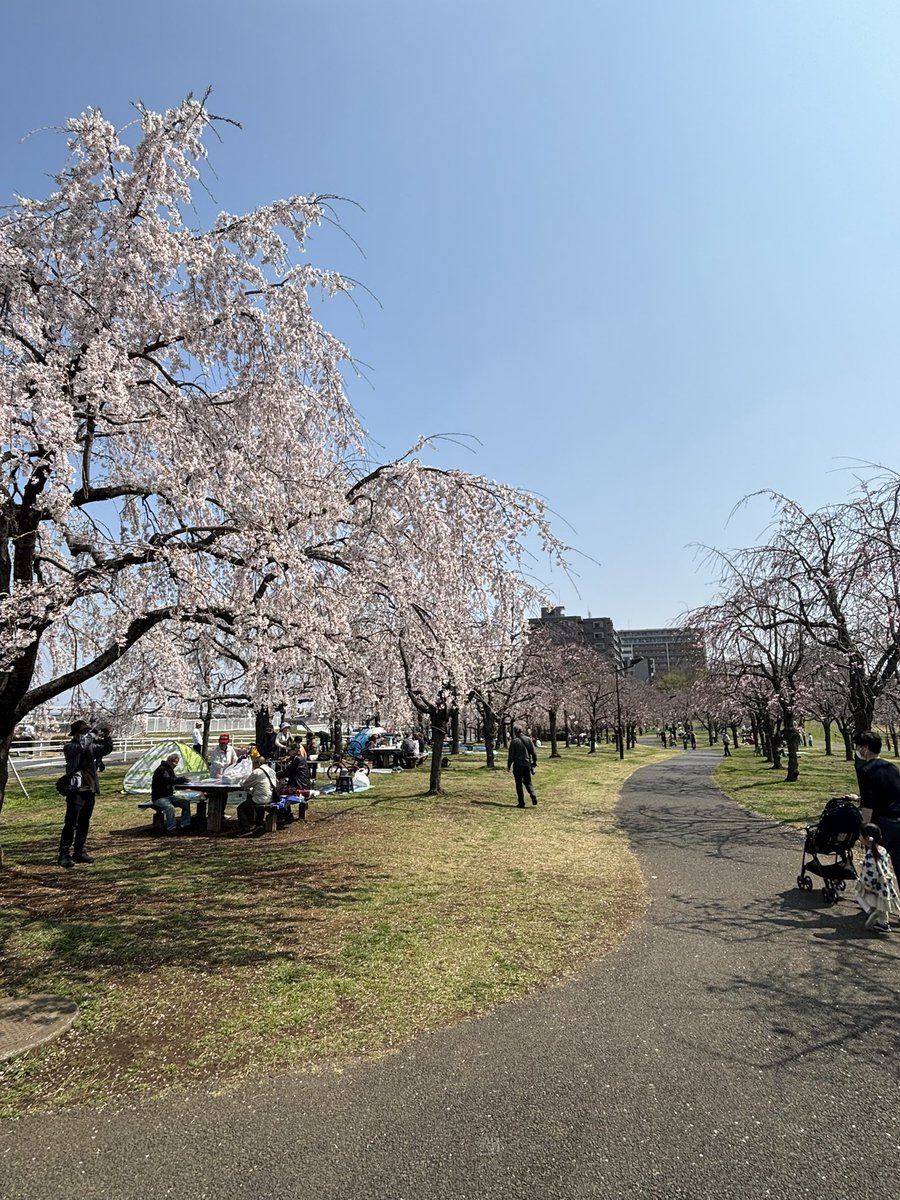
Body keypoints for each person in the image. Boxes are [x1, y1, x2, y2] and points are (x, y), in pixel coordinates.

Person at [58, 720, 113, 868]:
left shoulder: (90, 746)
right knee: (71, 824)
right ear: (75, 735)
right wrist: (93, 733)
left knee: (84, 823)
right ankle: (63, 855)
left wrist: (107, 736)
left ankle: (79, 851)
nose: (86, 735)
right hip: (75, 791)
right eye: (83, 733)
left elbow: (105, 750)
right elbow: (82, 746)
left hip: (89, 790)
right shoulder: (70, 747)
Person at [853, 731, 900, 878]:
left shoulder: (865, 771)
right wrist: (858, 798)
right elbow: (889, 792)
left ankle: (877, 898)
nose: (858, 750)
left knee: (876, 866)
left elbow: (868, 803)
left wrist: (865, 828)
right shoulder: (892, 768)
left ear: (865, 748)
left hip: (881, 825)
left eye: (858, 746)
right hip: (898, 820)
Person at [853, 822, 900, 934]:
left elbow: (870, 873)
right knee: (882, 905)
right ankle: (883, 924)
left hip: (875, 885)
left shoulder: (870, 855)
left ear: (866, 838)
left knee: (859, 895)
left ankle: (871, 911)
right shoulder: (882, 850)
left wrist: (866, 885)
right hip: (886, 884)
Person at [237, 750, 278, 837]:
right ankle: (258, 825)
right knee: (257, 801)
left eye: (253, 763)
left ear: (258, 763)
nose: (253, 766)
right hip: (271, 797)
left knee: (241, 808)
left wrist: (241, 781)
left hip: (262, 798)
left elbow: (245, 784)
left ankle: (245, 829)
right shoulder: (271, 770)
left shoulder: (257, 772)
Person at [150, 753, 192, 835]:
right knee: (170, 808)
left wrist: (183, 781)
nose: (175, 764)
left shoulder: (169, 769)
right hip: (159, 797)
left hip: (169, 796)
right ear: (169, 761)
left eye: (177, 762)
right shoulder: (162, 770)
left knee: (185, 803)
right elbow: (168, 780)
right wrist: (182, 779)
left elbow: (174, 779)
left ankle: (185, 825)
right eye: (174, 762)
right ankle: (171, 828)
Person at [507, 726, 538, 808]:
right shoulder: (528, 739)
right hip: (527, 764)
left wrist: (508, 766)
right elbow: (534, 753)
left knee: (519, 783)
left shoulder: (514, 742)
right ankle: (533, 794)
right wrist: (534, 763)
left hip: (517, 765)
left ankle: (521, 802)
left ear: (515, 732)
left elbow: (511, 756)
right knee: (528, 782)